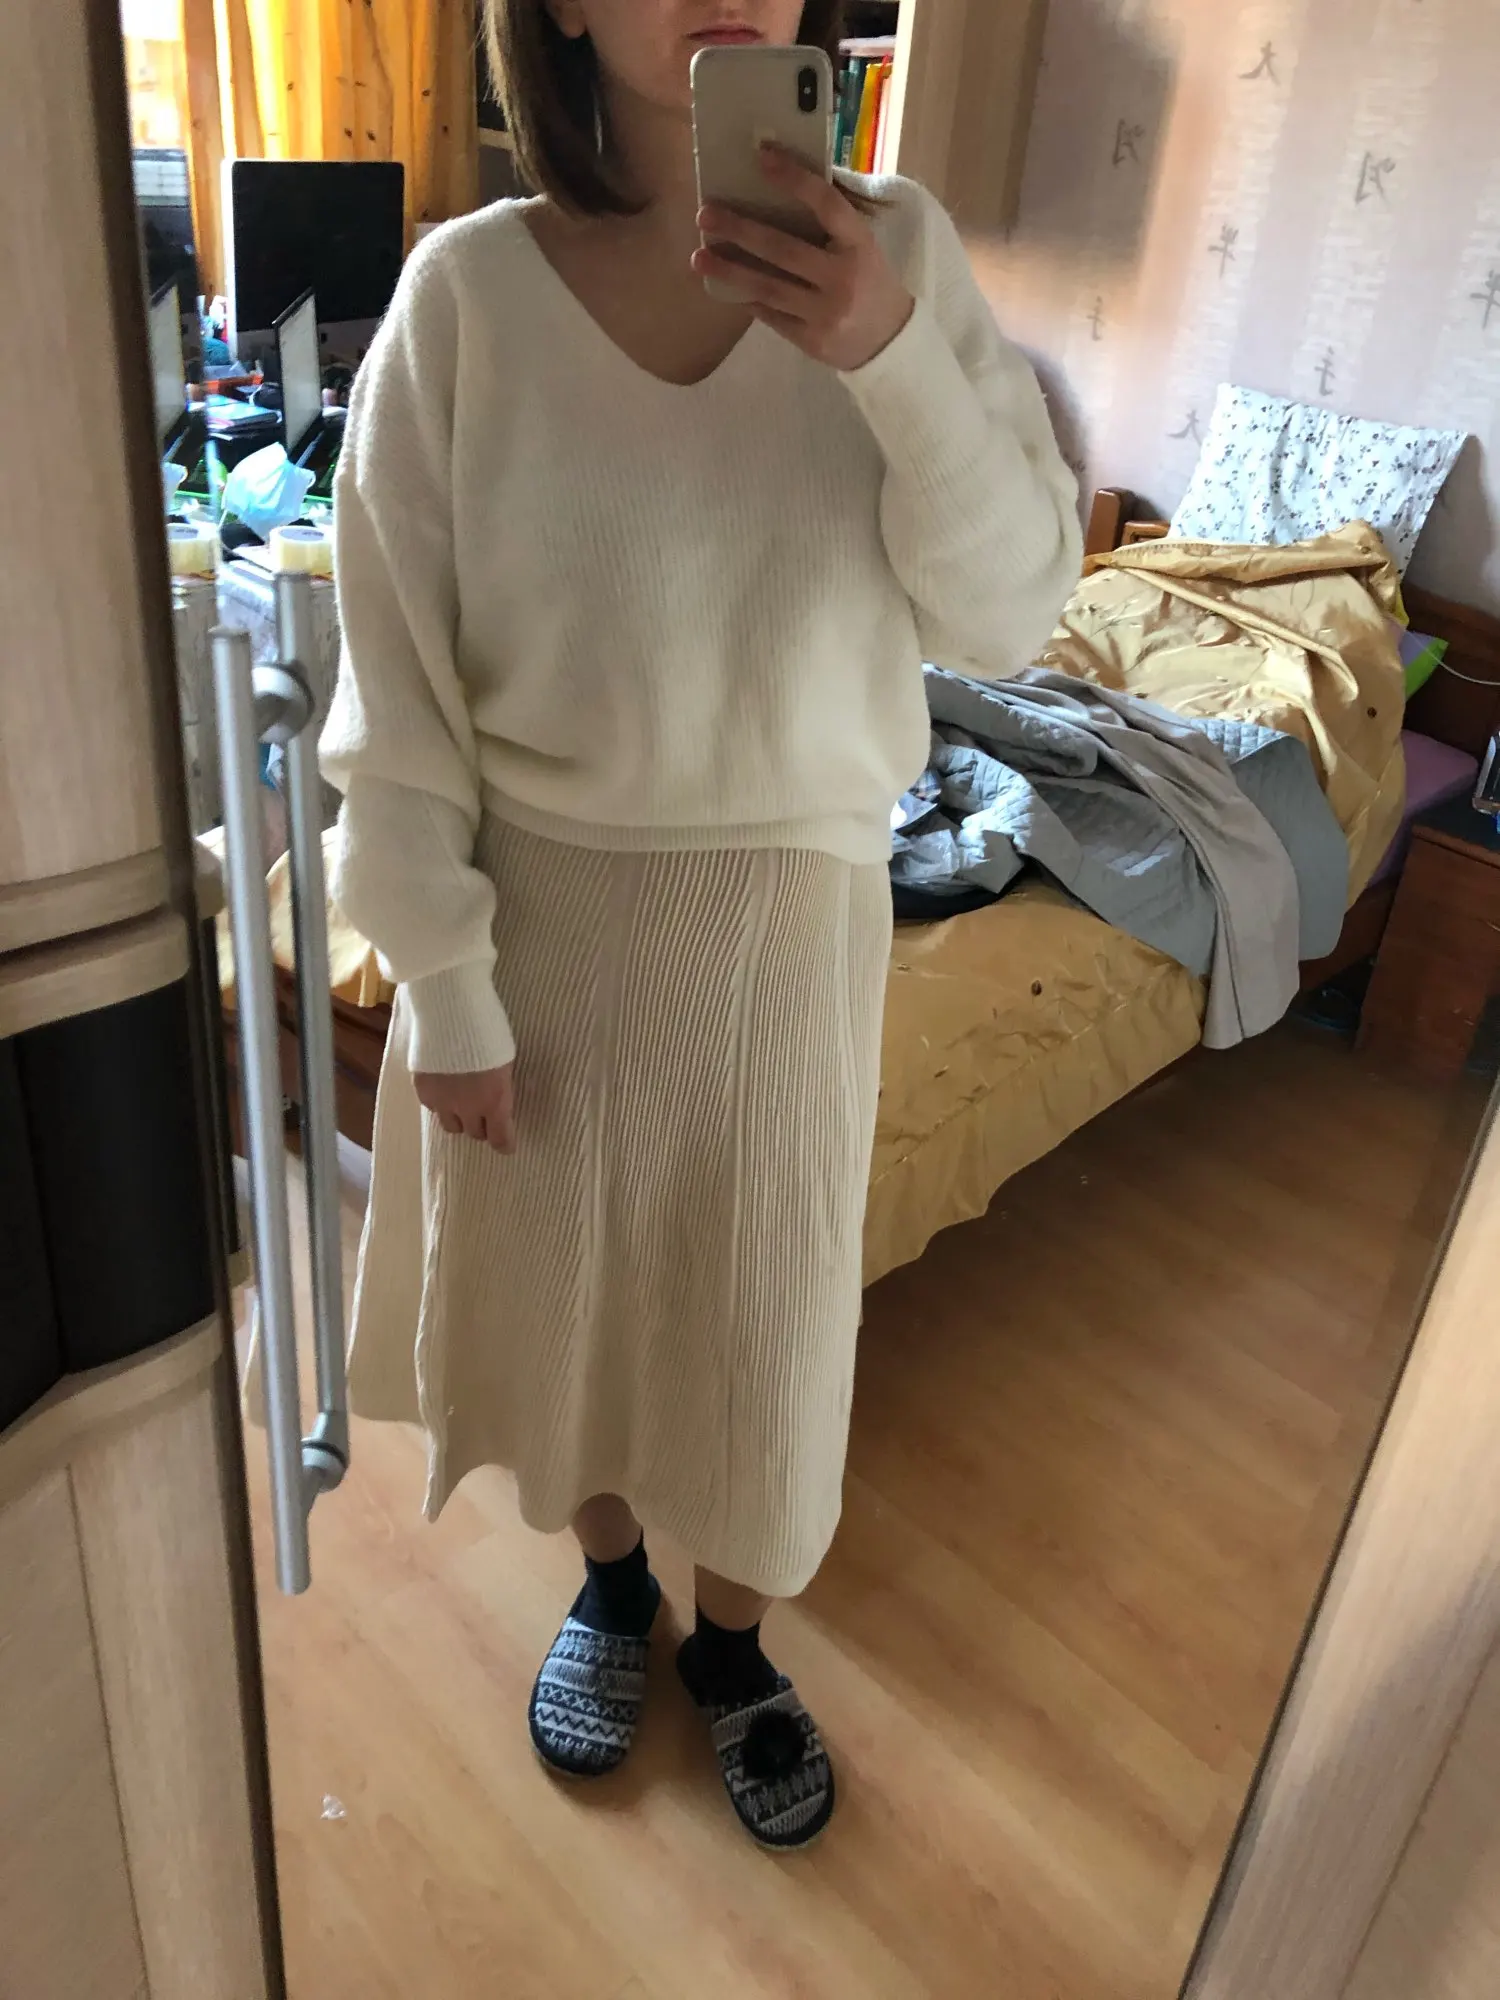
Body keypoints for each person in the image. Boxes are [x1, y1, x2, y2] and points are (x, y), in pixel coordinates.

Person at [321, 0, 1080, 1852]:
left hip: (791, 931)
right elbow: (396, 690)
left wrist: (888, 355)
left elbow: (1011, 615)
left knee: (763, 1347)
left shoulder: (901, 260)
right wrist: (445, 983)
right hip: (537, 925)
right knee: (561, 1316)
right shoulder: (462, 299)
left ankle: (730, 1649)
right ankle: (609, 1592)